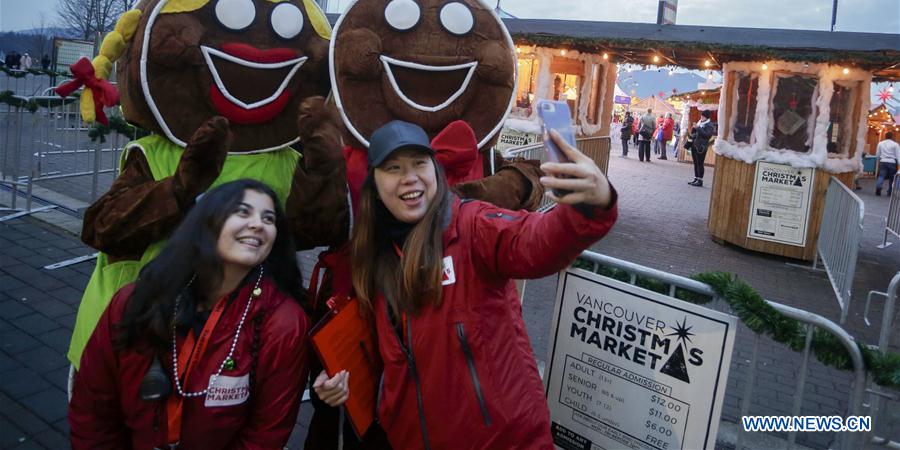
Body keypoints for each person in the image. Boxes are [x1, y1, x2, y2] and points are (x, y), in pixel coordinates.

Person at [314, 120, 617, 450]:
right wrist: (339, 379)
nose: (409, 176)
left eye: (419, 163)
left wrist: (590, 204)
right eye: (393, 168)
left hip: (503, 441)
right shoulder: (373, 255)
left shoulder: (472, 227)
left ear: (436, 172)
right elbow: (377, 352)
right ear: (374, 182)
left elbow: (536, 241)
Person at [69, 179, 310, 449]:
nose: (258, 224)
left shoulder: (283, 323)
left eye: (269, 218)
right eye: (242, 211)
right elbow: (94, 410)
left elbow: (265, 434)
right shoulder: (133, 300)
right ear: (206, 223)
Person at [687, 110, 716, 187]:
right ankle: (696, 178)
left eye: (703, 116)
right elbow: (695, 134)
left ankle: (700, 180)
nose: (701, 117)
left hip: (701, 147)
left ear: (707, 117)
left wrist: (698, 128)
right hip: (694, 145)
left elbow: (707, 135)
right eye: (701, 116)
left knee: (700, 163)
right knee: (696, 163)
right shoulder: (700, 122)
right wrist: (694, 128)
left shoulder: (709, 125)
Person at [875, 131, 900, 196]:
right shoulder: (895, 144)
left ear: (885, 136)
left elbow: (877, 153)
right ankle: (890, 191)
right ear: (892, 137)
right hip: (892, 162)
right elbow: (898, 155)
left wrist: (878, 161)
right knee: (892, 178)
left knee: (881, 176)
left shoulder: (880, 143)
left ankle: (878, 187)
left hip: (883, 161)